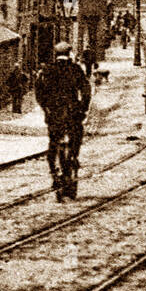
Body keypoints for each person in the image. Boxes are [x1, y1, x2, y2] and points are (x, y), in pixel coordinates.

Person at [36, 42, 91, 202]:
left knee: (53, 143)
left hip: (54, 115)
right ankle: (73, 158)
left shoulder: (47, 70)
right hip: (73, 113)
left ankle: (54, 171)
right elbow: (86, 90)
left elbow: (39, 91)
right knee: (76, 138)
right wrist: (83, 108)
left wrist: (46, 108)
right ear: (69, 53)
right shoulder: (75, 69)